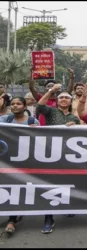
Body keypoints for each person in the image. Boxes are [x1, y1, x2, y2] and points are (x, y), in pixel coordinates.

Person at [36, 83, 80, 234]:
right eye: (60, 97)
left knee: (68, 183)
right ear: (57, 100)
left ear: (70, 101)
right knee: (50, 185)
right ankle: (48, 218)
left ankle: (66, 206)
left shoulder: (74, 117)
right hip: (51, 154)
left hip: (69, 156)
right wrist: (51, 91)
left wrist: (76, 126)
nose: (63, 100)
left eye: (66, 98)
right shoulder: (51, 112)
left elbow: (83, 136)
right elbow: (40, 107)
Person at [0, 96, 40, 235]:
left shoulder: (32, 121)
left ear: (24, 106)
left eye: (18, 103)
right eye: (12, 104)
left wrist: (36, 131)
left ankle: (12, 220)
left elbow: (41, 141)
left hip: (26, 162)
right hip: (7, 161)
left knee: (18, 189)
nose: (15, 106)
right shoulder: (5, 120)